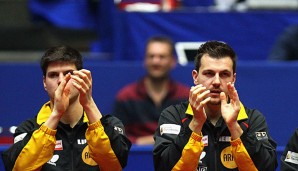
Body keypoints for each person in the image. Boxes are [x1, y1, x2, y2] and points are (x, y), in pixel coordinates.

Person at [1, 45, 131, 171]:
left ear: (81, 78)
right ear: (44, 83)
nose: (61, 80)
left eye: (69, 73)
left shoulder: (110, 124)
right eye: (53, 75)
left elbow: (116, 165)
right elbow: (18, 168)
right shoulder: (29, 128)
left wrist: (89, 103)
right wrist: (56, 114)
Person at [153, 40, 277, 170]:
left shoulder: (252, 119)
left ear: (233, 79)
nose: (217, 82)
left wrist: (235, 127)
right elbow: (163, 167)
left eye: (224, 74)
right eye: (209, 73)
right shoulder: (173, 116)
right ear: (195, 77)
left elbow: (267, 167)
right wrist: (195, 124)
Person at [112, 36, 190, 145]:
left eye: (162, 57)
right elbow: (116, 137)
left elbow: (192, 135)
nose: (155, 61)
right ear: (145, 60)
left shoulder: (185, 97)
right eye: (151, 56)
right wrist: (144, 142)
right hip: (136, 158)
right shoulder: (126, 96)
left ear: (173, 61)